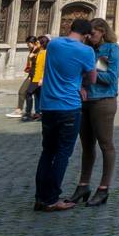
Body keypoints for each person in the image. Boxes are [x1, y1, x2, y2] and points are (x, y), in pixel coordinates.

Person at [32, 19, 97, 212]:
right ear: (86, 36)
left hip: (48, 105)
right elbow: (92, 78)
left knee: (47, 152)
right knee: (62, 154)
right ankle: (52, 199)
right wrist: (81, 82)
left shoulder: (54, 44)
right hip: (69, 106)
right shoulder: (86, 51)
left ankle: (40, 198)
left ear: (70, 28)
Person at [65, 18, 119, 208]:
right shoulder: (88, 50)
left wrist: (89, 74)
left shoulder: (112, 50)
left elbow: (111, 77)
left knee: (106, 145)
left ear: (103, 31)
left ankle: (104, 187)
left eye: (93, 34)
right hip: (84, 102)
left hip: (103, 102)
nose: (90, 37)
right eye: (88, 34)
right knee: (87, 146)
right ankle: (83, 185)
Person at [9, 37, 42, 119]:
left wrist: (33, 76)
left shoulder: (39, 51)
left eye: (28, 44)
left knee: (24, 92)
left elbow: (37, 65)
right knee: (30, 93)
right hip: (31, 75)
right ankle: (29, 112)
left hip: (35, 76)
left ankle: (24, 111)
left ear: (33, 43)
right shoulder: (33, 50)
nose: (27, 45)